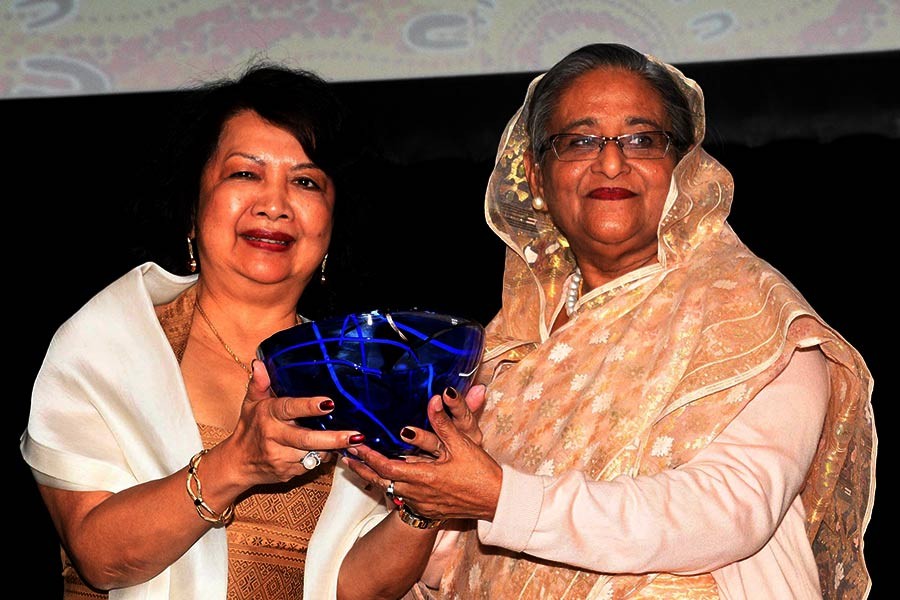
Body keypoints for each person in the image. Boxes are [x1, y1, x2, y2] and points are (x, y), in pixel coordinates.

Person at [338, 43, 877, 599]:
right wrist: (421, 494)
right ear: (537, 177)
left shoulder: (754, 318)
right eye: (580, 140)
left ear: (684, 167)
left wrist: (504, 498)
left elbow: (730, 509)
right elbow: (456, 569)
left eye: (642, 139)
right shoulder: (504, 356)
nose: (612, 162)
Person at [19, 62, 441, 600]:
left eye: (306, 181)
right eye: (245, 173)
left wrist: (424, 499)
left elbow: (350, 588)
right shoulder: (109, 342)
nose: (275, 204)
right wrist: (237, 463)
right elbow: (101, 559)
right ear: (193, 209)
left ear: (332, 226)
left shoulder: (360, 371)